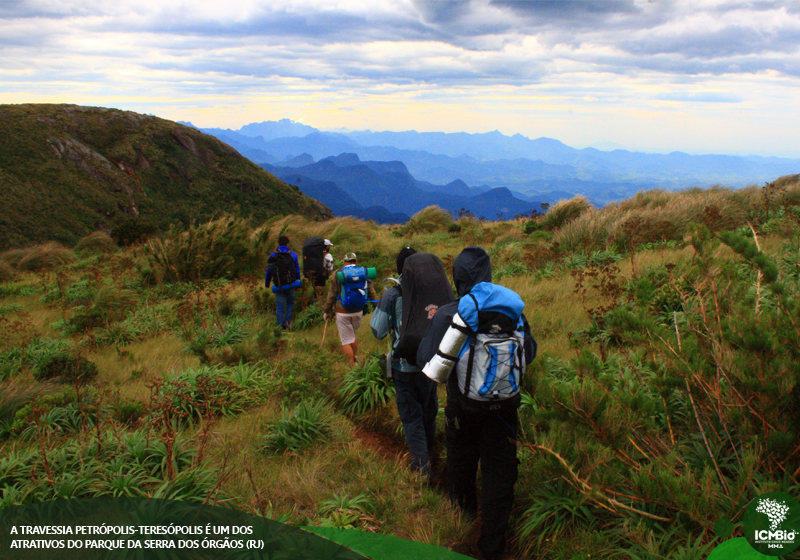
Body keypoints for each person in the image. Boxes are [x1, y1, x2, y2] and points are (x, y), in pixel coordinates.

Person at [417, 246, 536, 560]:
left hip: (463, 409)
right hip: (506, 408)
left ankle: (463, 524)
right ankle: (493, 544)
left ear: (457, 277)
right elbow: (530, 353)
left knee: (461, 464)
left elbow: (425, 360)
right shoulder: (512, 312)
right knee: (500, 472)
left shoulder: (449, 313)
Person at [370, 247, 439, 482]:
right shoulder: (432, 289)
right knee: (428, 413)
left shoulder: (393, 294)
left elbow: (377, 331)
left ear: (400, 268)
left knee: (412, 418)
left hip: (403, 367)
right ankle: (430, 455)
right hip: (431, 366)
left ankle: (422, 469)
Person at [323, 252, 379, 366]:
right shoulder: (363, 272)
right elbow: (371, 291)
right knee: (352, 335)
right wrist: (377, 307)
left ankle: (352, 365)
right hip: (358, 311)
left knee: (346, 340)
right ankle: (355, 360)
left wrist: (326, 310)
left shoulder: (338, 273)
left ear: (344, 262)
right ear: (356, 262)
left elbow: (332, 295)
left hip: (342, 311)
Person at [264, 235, 301, 330]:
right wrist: (298, 283)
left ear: (279, 244)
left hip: (278, 284)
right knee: (290, 302)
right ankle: (287, 322)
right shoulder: (293, 255)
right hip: (290, 284)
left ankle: (280, 328)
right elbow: (297, 270)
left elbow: (269, 270)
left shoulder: (273, 255)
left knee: (280, 307)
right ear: (288, 244)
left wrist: (267, 283)